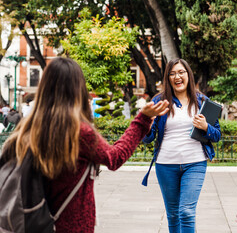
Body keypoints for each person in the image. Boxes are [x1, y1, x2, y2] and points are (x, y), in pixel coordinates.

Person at [0, 57, 169, 233]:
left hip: (36, 223)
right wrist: (141, 120)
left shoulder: (27, 128)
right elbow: (114, 158)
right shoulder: (78, 132)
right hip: (72, 226)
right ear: (78, 89)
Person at [142, 58, 221, 233]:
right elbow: (147, 139)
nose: (177, 76)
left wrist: (206, 127)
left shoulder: (201, 101)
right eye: (172, 73)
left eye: (181, 72)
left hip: (195, 163)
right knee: (173, 214)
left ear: (188, 75)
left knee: (186, 212)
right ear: (168, 78)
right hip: (165, 164)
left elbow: (217, 135)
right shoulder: (159, 101)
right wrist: (146, 126)